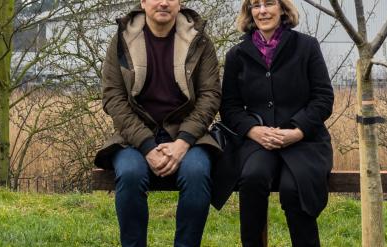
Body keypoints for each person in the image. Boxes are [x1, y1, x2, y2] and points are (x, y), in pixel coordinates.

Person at [93, 0, 221, 246]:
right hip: (134, 139)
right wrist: (146, 145)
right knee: (130, 174)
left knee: (197, 173)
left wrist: (183, 142)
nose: (163, 3)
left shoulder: (200, 41)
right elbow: (113, 97)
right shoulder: (121, 40)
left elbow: (210, 96)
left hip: (188, 137)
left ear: (180, 2)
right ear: (143, 2)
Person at [214, 0, 334, 246]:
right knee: (252, 178)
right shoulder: (237, 54)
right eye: (255, 5)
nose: (262, 11)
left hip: (305, 141)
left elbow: (323, 98)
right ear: (249, 12)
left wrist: (297, 131)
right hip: (258, 142)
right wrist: (253, 130)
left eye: (269, 3)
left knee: (294, 189)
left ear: (282, 8)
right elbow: (230, 107)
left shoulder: (306, 46)